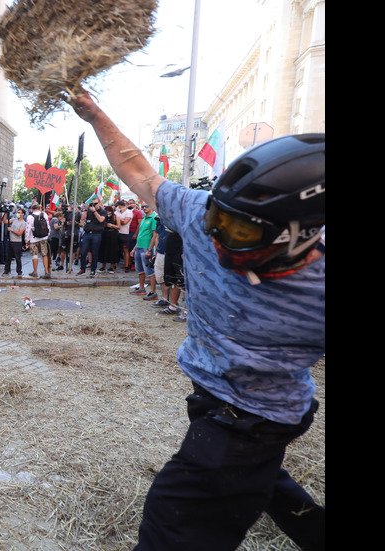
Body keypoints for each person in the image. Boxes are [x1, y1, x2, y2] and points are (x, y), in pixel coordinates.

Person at [68, 91, 325, 550]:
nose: (215, 239)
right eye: (215, 219)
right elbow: (138, 172)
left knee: (172, 522)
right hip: (213, 398)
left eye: (240, 231)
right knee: (261, 480)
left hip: (252, 419)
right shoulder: (197, 215)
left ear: (298, 235)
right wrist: (94, 115)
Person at [131, 202, 159, 299]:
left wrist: (150, 249)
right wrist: (134, 248)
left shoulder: (154, 218)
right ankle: (142, 288)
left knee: (150, 271)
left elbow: (155, 235)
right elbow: (140, 234)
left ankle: (153, 292)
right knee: (140, 270)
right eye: (143, 206)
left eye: (146, 206)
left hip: (146, 248)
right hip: (139, 247)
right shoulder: (144, 218)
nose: (144, 208)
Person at [77, 198, 106, 276]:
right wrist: (86, 210)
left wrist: (94, 211)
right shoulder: (89, 211)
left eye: (95, 203)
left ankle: (93, 270)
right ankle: (82, 269)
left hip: (96, 234)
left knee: (94, 252)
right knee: (83, 252)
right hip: (87, 233)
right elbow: (82, 219)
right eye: (92, 203)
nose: (94, 205)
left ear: (99, 203)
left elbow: (101, 220)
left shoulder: (103, 211)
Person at [25, 203, 52, 279]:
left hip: (34, 238)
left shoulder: (30, 217)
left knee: (35, 255)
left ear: (32, 208)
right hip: (43, 238)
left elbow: (28, 229)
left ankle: (35, 272)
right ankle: (46, 271)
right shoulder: (44, 215)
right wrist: (47, 235)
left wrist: (27, 240)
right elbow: (48, 226)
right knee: (44, 254)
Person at [2, 206, 25, 277]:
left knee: (17, 257)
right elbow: (4, 221)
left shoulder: (23, 223)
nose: (18, 214)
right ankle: (6, 270)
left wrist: (11, 230)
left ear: (23, 214)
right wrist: (5, 213)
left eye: (19, 213)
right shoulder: (14, 220)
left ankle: (19, 271)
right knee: (8, 257)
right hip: (10, 241)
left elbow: (20, 233)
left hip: (17, 242)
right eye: (17, 212)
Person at [99, 204, 121, 273]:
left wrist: (111, 225)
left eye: (109, 210)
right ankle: (103, 266)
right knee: (103, 250)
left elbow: (119, 226)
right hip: (105, 233)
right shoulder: (104, 216)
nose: (108, 212)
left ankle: (112, 267)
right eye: (107, 210)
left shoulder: (116, 217)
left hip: (113, 234)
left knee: (112, 250)